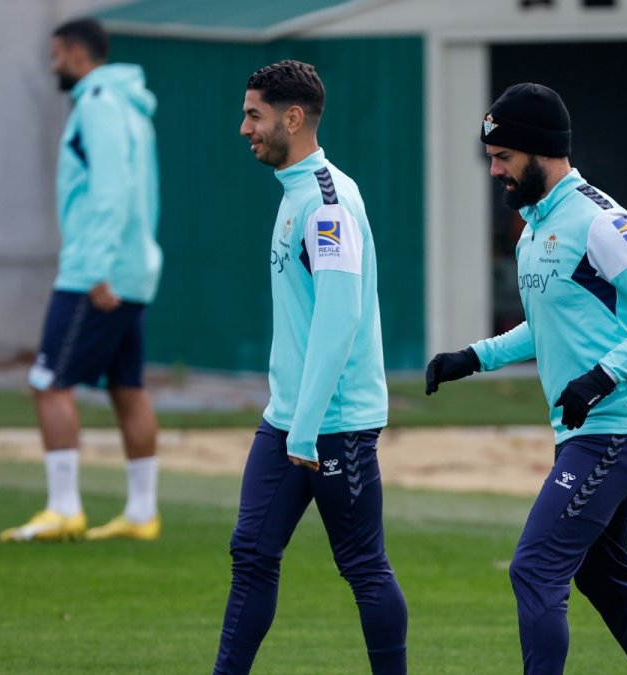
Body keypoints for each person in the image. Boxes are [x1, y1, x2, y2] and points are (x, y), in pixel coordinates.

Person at [425, 83, 627, 674]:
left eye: (503, 158)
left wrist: (600, 377)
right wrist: (473, 357)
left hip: (614, 429)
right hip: (586, 432)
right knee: (603, 576)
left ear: (540, 151)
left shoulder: (597, 219)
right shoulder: (534, 225)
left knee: (535, 566)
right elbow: (543, 325)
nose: (494, 170)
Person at [213, 60, 407, 675]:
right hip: (290, 418)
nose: (244, 128)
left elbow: (339, 318)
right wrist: (291, 419)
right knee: (251, 551)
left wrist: (307, 425)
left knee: (362, 566)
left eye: (254, 115)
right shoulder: (296, 192)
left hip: (334, 422)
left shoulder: (328, 202)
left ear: (291, 118)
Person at [1, 18, 163, 543]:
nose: (52, 66)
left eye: (55, 55)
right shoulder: (133, 108)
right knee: (127, 388)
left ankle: (64, 507)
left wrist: (94, 269)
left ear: (74, 53)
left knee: (48, 383)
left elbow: (112, 191)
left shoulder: (97, 104)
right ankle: (142, 515)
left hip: (98, 272)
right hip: (133, 268)